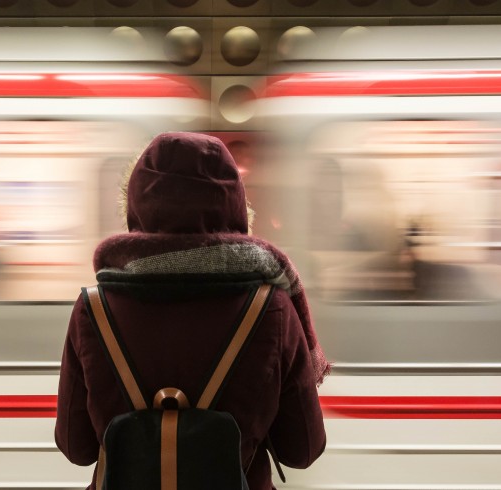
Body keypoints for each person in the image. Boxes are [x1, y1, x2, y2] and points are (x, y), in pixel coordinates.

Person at [55, 132, 329, 489]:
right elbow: (303, 450)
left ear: (136, 206)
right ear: (235, 206)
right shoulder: (272, 308)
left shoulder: (93, 309)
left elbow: (76, 447)